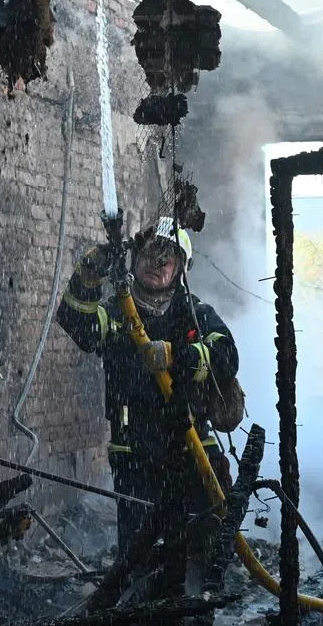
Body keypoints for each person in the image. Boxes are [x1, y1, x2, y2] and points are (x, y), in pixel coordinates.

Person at [56, 216, 240, 554]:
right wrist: (87, 275)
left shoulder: (193, 314)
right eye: (149, 253)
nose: (156, 264)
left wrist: (178, 355)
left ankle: (198, 600)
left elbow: (227, 356)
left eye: (166, 257)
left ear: (181, 269)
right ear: (134, 258)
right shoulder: (116, 312)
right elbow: (77, 322)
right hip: (135, 450)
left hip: (191, 444)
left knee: (205, 540)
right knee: (141, 549)